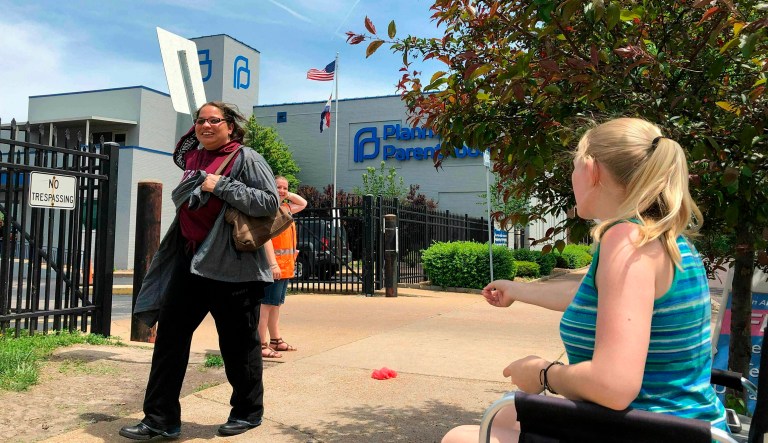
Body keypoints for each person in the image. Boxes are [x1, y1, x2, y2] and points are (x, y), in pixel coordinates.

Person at [442, 118, 727, 442]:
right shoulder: (662, 237)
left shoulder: (626, 240)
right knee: (505, 417)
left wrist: (542, 373)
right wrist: (517, 290)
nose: (572, 177)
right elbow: (600, 297)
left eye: (574, 166)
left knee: (460, 438)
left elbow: (614, 384)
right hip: (686, 424)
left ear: (591, 170)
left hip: (656, 431)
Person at [120, 101, 279, 440]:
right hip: (190, 262)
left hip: (233, 268)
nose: (206, 126)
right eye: (200, 121)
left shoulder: (246, 158)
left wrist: (218, 185)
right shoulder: (194, 160)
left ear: (231, 126)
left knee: (238, 344)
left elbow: (268, 203)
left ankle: (248, 412)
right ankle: (160, 419)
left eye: (214, 120)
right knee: (170, 340)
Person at [259, 176, 307, 358]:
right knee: (265, 305)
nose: (281, 190)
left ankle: (276, 340)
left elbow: (303, 203)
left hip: (286, 267)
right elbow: (266, 239)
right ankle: (261, 344)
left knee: (275, 304)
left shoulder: (286, 208)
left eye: (284, 187)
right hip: (274, 267)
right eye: (277, 186)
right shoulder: (268, 210)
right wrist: (272, 265)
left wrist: (285, 194)